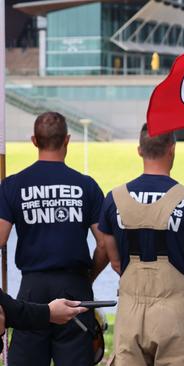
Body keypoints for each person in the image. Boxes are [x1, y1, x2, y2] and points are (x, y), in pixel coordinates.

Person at [0, 112, 108, 366]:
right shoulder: (86, 186)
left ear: (34, 141)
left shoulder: (14, 185)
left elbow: (1, 237)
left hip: (32, 288)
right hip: (75, 285)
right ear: (67, 140)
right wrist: (88, 277)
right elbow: (104, 244)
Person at [99, 124, 184, 365]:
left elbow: (115, 260)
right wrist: (183, 293)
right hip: (177, 311)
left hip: (130, 309)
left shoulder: (113, 199)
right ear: (172, 149)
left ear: (139, 150)